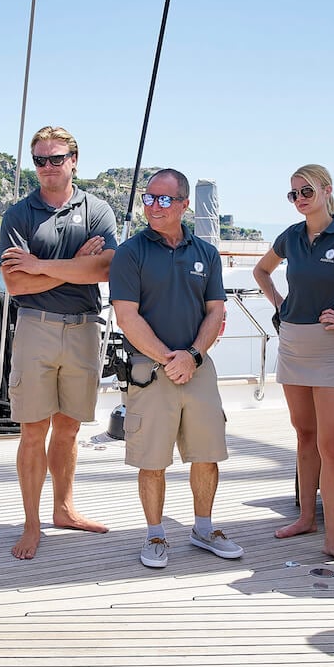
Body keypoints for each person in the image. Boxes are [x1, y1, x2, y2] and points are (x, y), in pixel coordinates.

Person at [253, 165, 334, 568]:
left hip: (329, 349)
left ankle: (333, 539)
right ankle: (307, 519)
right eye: (293, 194)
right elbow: (262, 271)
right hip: (292, 343)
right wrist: (280, 304)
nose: (299, 199)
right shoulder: (290, 236)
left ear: (327, 190)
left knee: (331, 446)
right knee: (305, 435)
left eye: (306, 191)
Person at [110, 168, 243, 569]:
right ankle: (155, 534)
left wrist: (194, 356)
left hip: (197, 368)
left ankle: (204, 529)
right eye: (149, 198)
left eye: (165, 199)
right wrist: (171, 358)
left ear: (184, 205)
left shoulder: (206, 254)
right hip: (150, 371)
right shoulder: (130, 253)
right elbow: (126, 317)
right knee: (152, 459)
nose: (154, 206)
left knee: (207, 453)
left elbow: (216, 310)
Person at [0, 126, 116, 559]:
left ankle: (63, 509)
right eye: (40, 160)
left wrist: (39, 265)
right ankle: (32, 525)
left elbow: (105, 270)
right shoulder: (19, 214)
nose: (48, 168)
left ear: (74, 160)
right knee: (33, 431)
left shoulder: (99, 210)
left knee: (68, 429)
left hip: (85, 328)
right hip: (36, 327)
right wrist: (75, 263)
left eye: (56, 158)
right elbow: (13, 282)